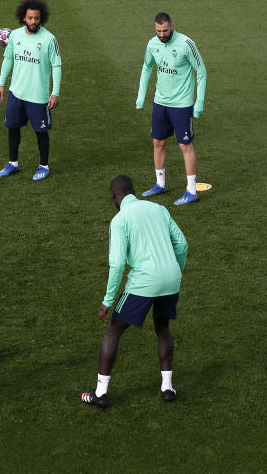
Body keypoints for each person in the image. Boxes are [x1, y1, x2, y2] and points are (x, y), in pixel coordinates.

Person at [81, 175, 188, 409]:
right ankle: (167, 387)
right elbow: (181, 244)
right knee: (163, 329)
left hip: (143, 283)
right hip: (171, 280)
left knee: (113, 331)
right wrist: (174, 272)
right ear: (133, 191)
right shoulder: (159, 208)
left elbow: (117, 264)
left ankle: (100, 393)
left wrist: (107, 300)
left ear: (114, 196)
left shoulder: (120, 220)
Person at [135, 12, 207, 206]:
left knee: (185, 145)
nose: (162, 34)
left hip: (182, 104)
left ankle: (191, 190)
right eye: (158, 31)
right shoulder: (153, 44)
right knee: (158, 142)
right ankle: (160, 183)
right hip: (160, 102)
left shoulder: (186, 44)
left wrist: (198, 103)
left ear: (172, 26)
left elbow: (201, 71)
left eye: (165, 30)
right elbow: (147, 67)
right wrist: (141, 96)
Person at [0, 0, 62, 181]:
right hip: (16, 92)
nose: (33, 22)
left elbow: (57, 66)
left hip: (38, 97)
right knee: (13, 127)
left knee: (41, 132)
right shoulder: (15, 35)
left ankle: (44, 166)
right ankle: (13, 163)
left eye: (37, 18)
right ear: (23, 17)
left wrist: (55, 92)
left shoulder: (49, 39)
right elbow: (8, 59)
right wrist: (1, 83)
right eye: (30, 18)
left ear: (42, 18)